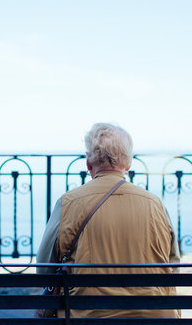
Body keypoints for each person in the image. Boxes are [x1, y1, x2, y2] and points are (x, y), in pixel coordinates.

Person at [37, 122, 180, 318]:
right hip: (154, 317)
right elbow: (172, 266)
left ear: (88, 162)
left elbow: (44, 270)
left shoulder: (68, 203)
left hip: (88, 317)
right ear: (128, 164)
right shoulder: (155, 204)